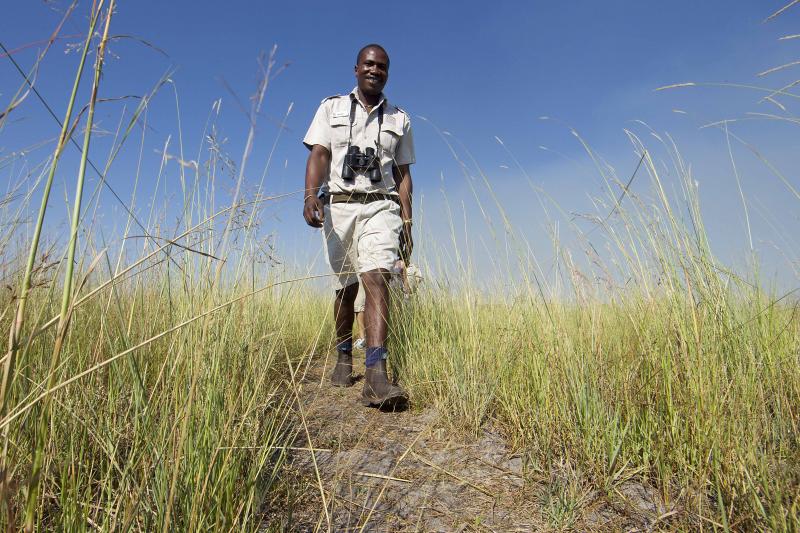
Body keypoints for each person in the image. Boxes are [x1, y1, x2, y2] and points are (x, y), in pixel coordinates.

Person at [302, 44, 415, 407]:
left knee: (377, 277)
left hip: (381, 207)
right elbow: (319, 153)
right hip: (339, 207)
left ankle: (376, 374)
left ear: (387, 73)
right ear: (356, 69)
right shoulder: (330, 108)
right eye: (369, 64)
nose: (375, 70)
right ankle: (343, 354)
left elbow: (403, 175)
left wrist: (407, 221)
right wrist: (309, 195)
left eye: (382, 66)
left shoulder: (400, 119)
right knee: (346, 289)